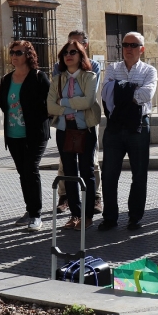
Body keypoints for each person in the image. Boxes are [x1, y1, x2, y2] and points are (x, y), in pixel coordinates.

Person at [99, 32, 158, 231]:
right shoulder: (112, 67)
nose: (128, 48)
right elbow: (106, 94)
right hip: (115, 126)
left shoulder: (149, 70)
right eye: (125, 44)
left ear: (142, 48)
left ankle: (135, 217)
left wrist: (119, 91)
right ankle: (109, 218)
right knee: (109, 174)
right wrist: (131, 91)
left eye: (133, 45)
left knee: (139, 174)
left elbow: (147, 94)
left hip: (138, 126)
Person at [47, 40, 101, 230]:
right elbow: (50, 106)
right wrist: (69, 105)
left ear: (80, 55)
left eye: (73, 52)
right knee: (69, 173)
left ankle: (87, 216)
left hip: (84, 129)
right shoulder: (57, 79)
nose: (69, 55)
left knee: (87, 171)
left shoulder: (90, 76)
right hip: (64, 129)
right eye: (65, 53)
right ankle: (75, 215)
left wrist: (63, 101)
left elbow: (88, 102)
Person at [0, 41, 51, 231]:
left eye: (18, 52)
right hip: (14, 134)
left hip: (35, 134)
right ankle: (29, 210)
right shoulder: (6, 79)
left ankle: (36, 214)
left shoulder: (38, 77)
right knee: (23, 172)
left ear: (28, 55)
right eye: (12, 52)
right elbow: (3, 103)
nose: (14, 55)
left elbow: (50, 102)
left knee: (30, 169)